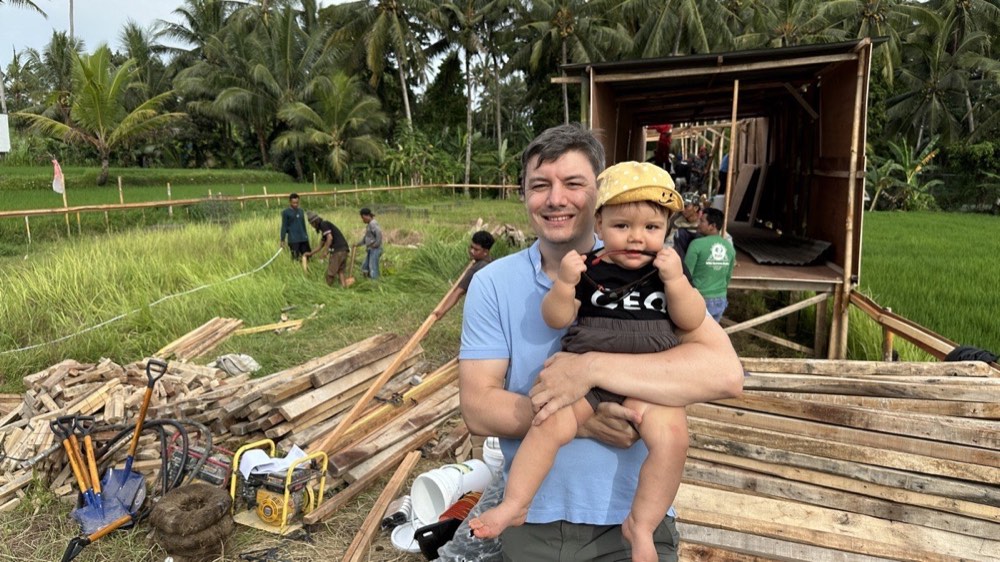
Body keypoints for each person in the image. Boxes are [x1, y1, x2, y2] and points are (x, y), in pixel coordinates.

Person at [458, 123, 744, 561]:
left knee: (673, 436)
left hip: (626, 521)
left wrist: (590, 369)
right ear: (524, 195)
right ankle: (511, 504)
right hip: (535, 522)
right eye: (539, 185)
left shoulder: (652, 269)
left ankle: (644, 525)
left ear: (598, 196)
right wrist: (585, 421)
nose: (555, 199)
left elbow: (726, 375)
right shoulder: (493, 284)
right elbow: (477, 408)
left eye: (573, 183)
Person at [684, 208, 736, 322]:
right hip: (720, 299)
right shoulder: (729, 248)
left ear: (712, 226)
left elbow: (686, 276)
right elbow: (727, 277)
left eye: (702, 221)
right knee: (711, 336)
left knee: (694, 337)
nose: (698, 224)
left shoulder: (696, 244)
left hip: (701, 299)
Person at [433, 230, 495, 319]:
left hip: (481, 313)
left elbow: (458, 292)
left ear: (485, 251)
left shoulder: (477, 268)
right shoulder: (493, 262)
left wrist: (442, 311)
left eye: (476, 249)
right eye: (471, 247)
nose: (471, 251)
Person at [305, 211, 352, 287]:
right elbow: (320, 245)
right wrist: (310, 253)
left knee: (330, 273)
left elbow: (329, 238)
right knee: (340, 271)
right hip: (344, 250)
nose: (312, 226)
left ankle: (326, 288)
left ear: (314, 222)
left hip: (338, 251)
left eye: (311, 224)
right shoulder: (324, 228)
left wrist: (325, 252)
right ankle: (344, 288)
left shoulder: (324, 224)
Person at [279, 193, 310, 259]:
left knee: (307, 256)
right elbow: (284, 226)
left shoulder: (301, 211)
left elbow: (303, 225)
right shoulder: (286, 212)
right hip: (293, 239)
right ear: (290, 202)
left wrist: (306, 236)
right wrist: (282, 239)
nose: (295, 204)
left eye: (297, 203)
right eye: (294, 203)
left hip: (303, 238)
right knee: (296, 258)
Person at [355, 207, 383, 280]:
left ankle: (375, 284)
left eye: (363, 218)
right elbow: (366, 239)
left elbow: (379, 235)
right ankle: (367, 281)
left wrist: (374, 245)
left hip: (375, 249)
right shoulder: (369, 225)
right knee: (365, 267)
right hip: (371, 249)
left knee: (373, 268)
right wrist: (357, 244)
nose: (363, 220)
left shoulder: (373, 224)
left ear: (367, 216)